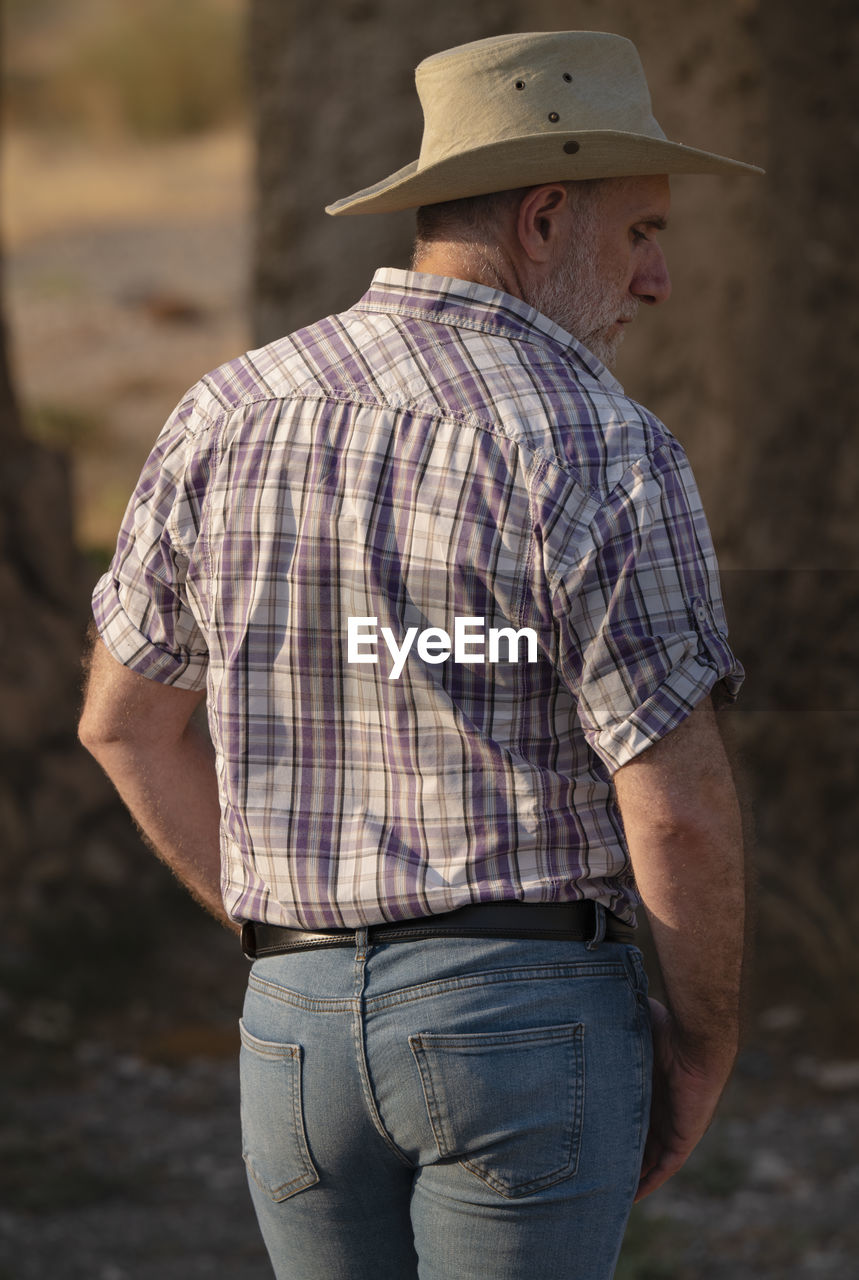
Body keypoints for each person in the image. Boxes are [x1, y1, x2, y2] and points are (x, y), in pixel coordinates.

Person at [78, 30, 760, 1280]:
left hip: (289, 1032)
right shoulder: (603, 445)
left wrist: (301, 934)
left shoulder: (225, 409)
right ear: (546, 218)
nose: (656, 279)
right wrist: (705, 1045)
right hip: (522, 1019)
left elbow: (123, 723)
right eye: (643, 233)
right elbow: (678, 818)